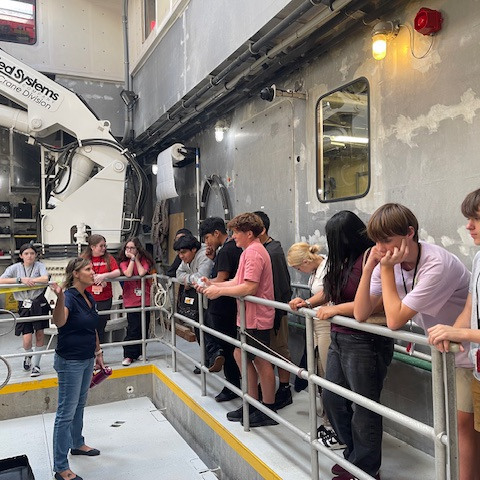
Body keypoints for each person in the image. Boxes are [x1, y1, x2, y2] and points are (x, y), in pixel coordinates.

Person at [354, 203, 474, 480]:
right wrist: (369, 267)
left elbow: (394, 320)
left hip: (466, 353)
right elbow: (361, 312)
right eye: (376, 242)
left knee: (464, 429)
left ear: (409, 233)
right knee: (460, 429)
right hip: (447, 352)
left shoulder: (436, 263)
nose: (380, 248)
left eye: (386, 240)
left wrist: (384, 269)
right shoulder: (389, 262)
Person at [318, 211, 393, 480]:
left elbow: (379, 301)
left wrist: (335, 309)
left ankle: (366, 467)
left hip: (366, 339)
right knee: (331, 397)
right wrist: (309, 303)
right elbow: (330, 290)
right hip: (340, 336)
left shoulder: (372, 258)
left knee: (365, 406)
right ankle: (354, 454)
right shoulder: (346, 260)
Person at [201, 212, 277, 428]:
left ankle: (267, 408)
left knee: (260, 361)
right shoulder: (248, 251)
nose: (233, 237)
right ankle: (253, 403)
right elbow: (237, 280)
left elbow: (250, 287)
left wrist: (219, 291)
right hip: (248, 316)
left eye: (236, 232)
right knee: (242, 355)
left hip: (257, 317)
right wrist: (213, 285)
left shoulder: (254, 253)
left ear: (249, 233)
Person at [428, 189, 480, 480]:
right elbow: (469, 310)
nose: (468, 226)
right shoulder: (478, 259)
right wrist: (453, 334)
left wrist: (458, 332)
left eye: (475, 219)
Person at [50, 257, 105, 480]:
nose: (93, 272)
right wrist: (60, 297)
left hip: (86, 359)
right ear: (76, 274)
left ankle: (77, 443)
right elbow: (60, 322)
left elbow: (92, 329)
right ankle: (61, 467)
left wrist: (98, 353)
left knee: (79, 405)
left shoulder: (88, 297)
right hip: (70, 361)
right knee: (65, 412)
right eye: (88, 269)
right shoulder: (70, 297)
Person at [287, 242, 344, 448]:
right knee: (320, 373)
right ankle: (329, 425)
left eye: (297, 268)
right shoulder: (316, 270)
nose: (298, 272)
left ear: (305, 261)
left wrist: (308, 303)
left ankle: (337, 429)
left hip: (328, 325)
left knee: (330, 376)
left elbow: (328, 294)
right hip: (318, 324)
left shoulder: (329, 268)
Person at [198, 217, 242, 402]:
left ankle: (232, 385)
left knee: (227, 346)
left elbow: (222, 279)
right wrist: (214, 258)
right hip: (230, 305)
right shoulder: (231, 249)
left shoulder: (227, 250)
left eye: (208, 238)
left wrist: (204, 283)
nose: (207, 242)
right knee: (230, 345)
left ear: (217, 233)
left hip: (223, 305)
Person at [254, 211, 293, 410]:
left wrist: (277, 312)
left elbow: (280, 286)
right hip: (264, 311)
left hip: (275, 311)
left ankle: (285, 389)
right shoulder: (262, 249)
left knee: (279, 349)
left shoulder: (272, 251)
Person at [0, 243, 50, 377]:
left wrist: (31, 280)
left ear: (36, 255)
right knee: (27, 338)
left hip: (39, 303)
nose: (29, 256)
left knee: (40, 334)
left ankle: (37, 365)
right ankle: (28, 356)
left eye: (32, 253)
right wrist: (20, 279)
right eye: (26, 254)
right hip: (24, 304)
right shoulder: (15, 268)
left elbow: (45, 278)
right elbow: (2, 280)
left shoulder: (40, 266)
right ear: (21, 256)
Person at [174, 233, 213, 371]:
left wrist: (188, 280)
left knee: (211, 331)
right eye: (179, 253)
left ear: (194, 249)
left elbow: (202, 277)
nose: (181, 256)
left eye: (183, 252)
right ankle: (206, 359)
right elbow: (178, 274)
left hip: (212, 300)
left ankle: (213, 360)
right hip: (200, 301)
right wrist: (190, 279)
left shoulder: (204, 256)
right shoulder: (186, 259)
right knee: (199, 330)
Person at [118, 237, 154, 366]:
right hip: (131, 300)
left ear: (138, 249)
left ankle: (140, 352)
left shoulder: (145, 260)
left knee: (144, 327)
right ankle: (128, 354)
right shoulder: (123, 262)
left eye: (132, 248)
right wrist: (132, 259)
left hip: (145, 299)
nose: (129, 250)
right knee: (133, 328)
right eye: (127, 248)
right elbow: (128, 274)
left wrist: (137, 259)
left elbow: (142, 272)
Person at [81, 234, 121, 343]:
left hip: (105, 298)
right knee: (88, 326)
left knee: (101, 327)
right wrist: (93, 278)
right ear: (92, 247)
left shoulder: (109, 258)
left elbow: (117, 272)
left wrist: (104, 276)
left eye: (105, 245)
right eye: (101, 246)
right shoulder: (84, 259)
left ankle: (99, 353)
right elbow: (78, 273)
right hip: (88, 297)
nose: (104, 248)